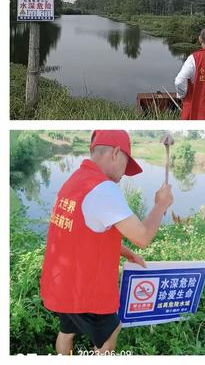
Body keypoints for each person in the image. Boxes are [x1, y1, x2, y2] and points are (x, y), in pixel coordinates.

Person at [40, 130, 174, 355]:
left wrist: (126, 253)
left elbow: (85, 232)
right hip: (85, 290)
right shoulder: (103, 189)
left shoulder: (75, 181)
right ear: (115, 153)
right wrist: (161, 205)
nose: (124, 174)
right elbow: (143, 237)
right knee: (111, 332)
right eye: (126, 165)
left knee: (67, 331)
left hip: (61, 283)